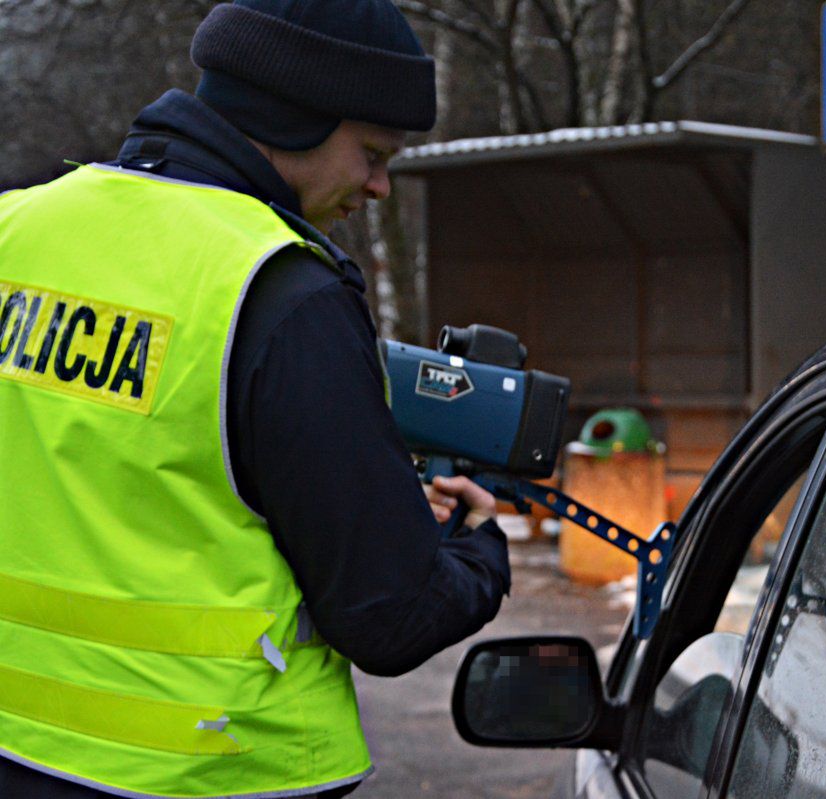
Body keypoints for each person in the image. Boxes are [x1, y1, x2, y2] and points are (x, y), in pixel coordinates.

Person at [0, 1, 511, 797]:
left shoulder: (16, 229)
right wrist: (477, 546)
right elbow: (389, 614)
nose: (379, 185)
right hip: (215, 769)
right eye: (372, 153)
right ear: (294, 115)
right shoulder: (280, 289)